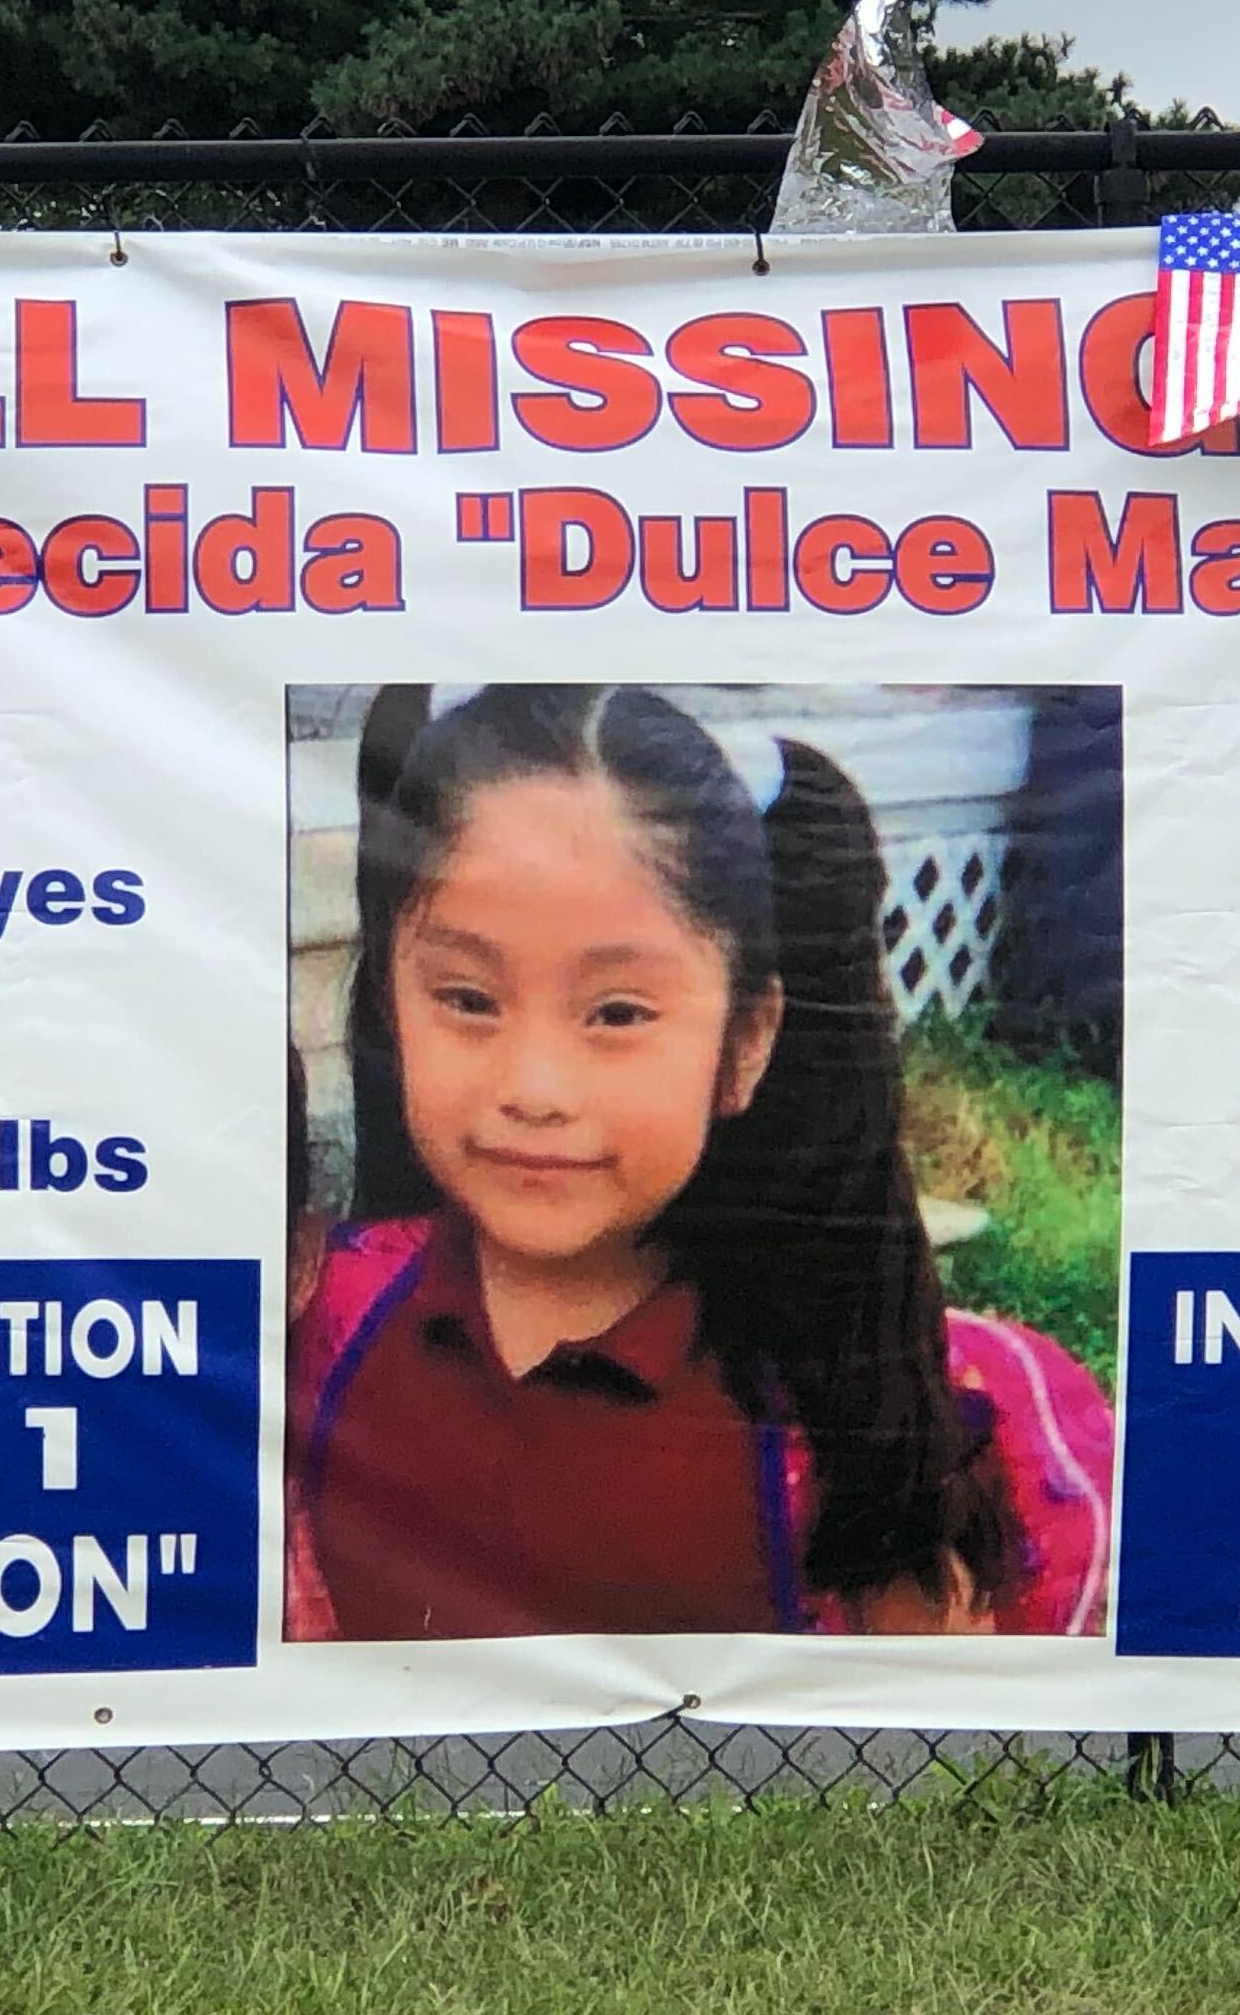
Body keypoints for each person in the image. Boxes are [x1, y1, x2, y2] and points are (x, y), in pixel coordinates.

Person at [284, 683, 1110, 1642]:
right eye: (468, 999)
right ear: (391, 998)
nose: (536, 1087)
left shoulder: (904, 1419)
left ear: (747, 1042)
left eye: (618, 1013)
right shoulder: (313, 1326)